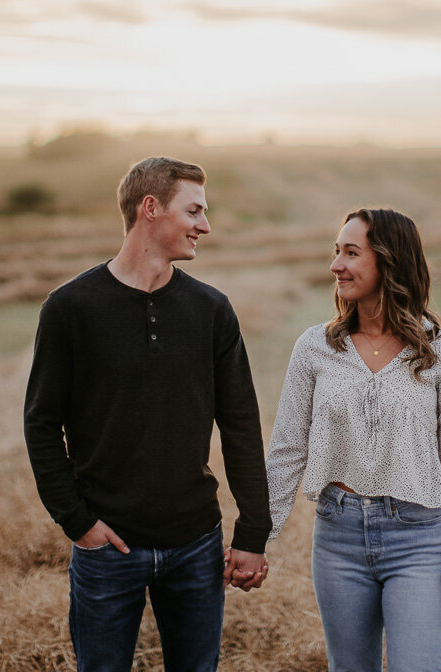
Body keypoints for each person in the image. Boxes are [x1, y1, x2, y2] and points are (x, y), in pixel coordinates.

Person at [23, 156, 271, 672]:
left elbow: (241, 424)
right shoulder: (71, 308)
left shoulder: (211, 310)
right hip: (107, 548)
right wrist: (77, 521)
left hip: (196, 545)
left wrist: (252, 532)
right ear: (150, 208)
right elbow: (42, 422)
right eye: (195, 211)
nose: (206, 225)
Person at [265, 207, 441, 672]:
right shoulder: (315, 347)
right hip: (338, 538)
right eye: (335, 252)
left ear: (389, 260)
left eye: (350, 253)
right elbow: (287, 450)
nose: (335, 265)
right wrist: (255, 537)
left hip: (420, 542)